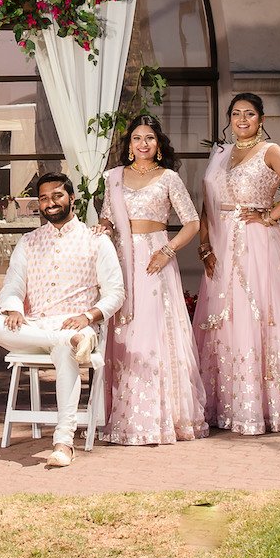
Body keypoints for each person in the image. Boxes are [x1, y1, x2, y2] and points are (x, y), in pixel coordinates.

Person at [193, 92, 280, 435]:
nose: (242, 119)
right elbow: (208, 203)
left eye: (249, 114)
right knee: (222, 319)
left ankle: (267, 408)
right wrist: (204, 243)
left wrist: (271, 215)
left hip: (254, 243)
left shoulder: (270, 151)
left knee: (255, 315)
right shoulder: (219, 154)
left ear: (262, 120)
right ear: (229, 119)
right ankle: (223, 406)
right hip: (220, 241)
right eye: (236, 114)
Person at [0, 170, 125, 467]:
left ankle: (64, 442)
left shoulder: (95, 241)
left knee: (67, 350)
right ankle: (62, 340)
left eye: (57, 196)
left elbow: (116, 293)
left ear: (72, 199)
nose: (50, 202)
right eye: (44, 198)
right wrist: (13, 308)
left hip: (78, 326)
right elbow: (13, 284)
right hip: (35, 327)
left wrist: (87, 316)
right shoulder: (29, 241)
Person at [96, 115, 207, 445]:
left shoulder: (169, 178)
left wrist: (167, 251)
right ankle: (124, 414)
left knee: (153, 333)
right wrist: (103, 230)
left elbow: (192, 223)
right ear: (129, 145)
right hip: (121, 261)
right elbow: (107, 218)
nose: (143, 143)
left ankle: (160, 417)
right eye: (136, 138)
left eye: (149, 138)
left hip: (155, 262)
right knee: (124, 333)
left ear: (159, 145)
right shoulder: (114, 179)